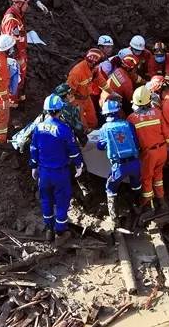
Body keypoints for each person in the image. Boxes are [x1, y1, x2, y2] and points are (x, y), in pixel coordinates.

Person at [30, 93, 84, 242]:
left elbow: (33, 148)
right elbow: (73, 150)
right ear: (60, 110)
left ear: (46, 110)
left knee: (46, 200)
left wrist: (33, 166)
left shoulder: (38, 127)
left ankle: (49, 228)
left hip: (44, 173)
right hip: (60, 172)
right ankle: (60, 231)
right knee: (62, 201)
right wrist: (79, 164)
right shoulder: (64, 129)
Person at [97, 98, 142, 224]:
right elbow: (136, 142)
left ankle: (114, 218)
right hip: (135, 163)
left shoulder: (105, 128)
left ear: (105, 114)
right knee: (136, 185)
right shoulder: (128, 124)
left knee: (110, 188)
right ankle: (137, 208)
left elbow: (100, 146)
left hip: (119, 167)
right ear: (118, 111)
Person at [128, 85, 169, 208]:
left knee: (147, 177)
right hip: (162, 151)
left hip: (148, 154)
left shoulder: (132, 118)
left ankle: (148, 203)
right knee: (158, 175)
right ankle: (161, 200)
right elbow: (168, 134)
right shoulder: (158, 113)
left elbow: (132, 140)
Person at [67, 48, 103, 130]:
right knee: (83, 126)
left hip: (87, 98)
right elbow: (69, 92)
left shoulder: (94, 69)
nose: (99, 66)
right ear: (93, 62)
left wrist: (111, 92)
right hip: (77, 100)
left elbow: (100, 80)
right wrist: (75, 106)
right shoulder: (76, 72)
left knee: (93, 121)